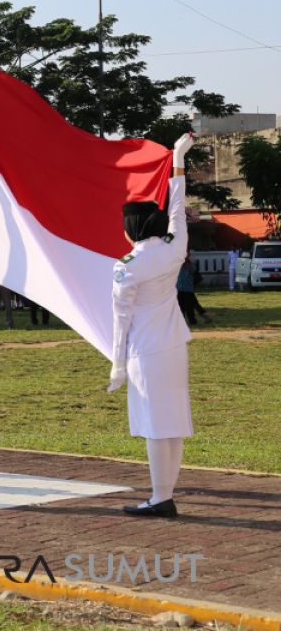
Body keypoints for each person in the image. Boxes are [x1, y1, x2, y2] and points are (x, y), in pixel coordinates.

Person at [109, 133, 195, 518]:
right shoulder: (174, 249)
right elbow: (178, 206)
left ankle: (161, 497)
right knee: (172, 421)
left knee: (156, 424)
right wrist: (178, 159)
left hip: (146, 349)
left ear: (132, 229)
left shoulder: (128, 266)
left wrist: (116, 363)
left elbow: (120, 319)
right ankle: (165, 493)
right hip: (174, 345)